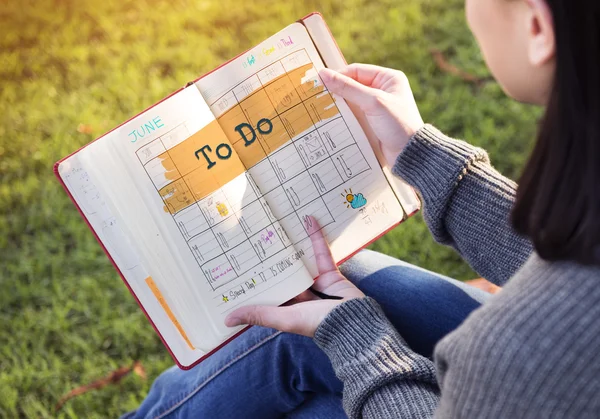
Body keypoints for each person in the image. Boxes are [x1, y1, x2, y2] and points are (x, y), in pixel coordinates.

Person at [125, 0, 600, 417]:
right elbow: (576, 257)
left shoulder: (521, 347)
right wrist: (426, 158)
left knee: (303, 350)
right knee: (339, 286)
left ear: (537, 27)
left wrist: (358, 339)